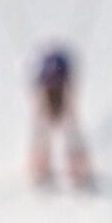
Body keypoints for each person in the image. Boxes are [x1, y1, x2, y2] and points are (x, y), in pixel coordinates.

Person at [28, 45, 93, 189]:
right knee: (42, 133)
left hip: (61, 98)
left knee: (71, 133)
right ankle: (40, 165)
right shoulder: (42, 98)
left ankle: (77, 166)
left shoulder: (65, 99)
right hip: (48, 99)